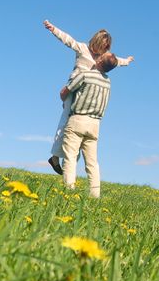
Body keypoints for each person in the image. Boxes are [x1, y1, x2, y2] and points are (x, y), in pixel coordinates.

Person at [43, 20, 134, 174]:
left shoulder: (104, 56)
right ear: (95, 42)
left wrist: (127, 61)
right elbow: (67, 39)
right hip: (73, 89)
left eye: (104, 49)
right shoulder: (82, 48)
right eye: (100, 47)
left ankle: (65, 163)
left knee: (77, 133)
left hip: (85, 94)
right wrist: (53, 29)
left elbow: (116, 61)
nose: (101, 51)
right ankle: (55, 158)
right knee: (65, 123)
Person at [61, 52, 118, 198]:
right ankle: (95, 195)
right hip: (95, 124)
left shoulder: (86, 75)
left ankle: (68, 191)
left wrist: (64, 97)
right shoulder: (108, 82)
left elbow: (65, 91)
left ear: (99, 61)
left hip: (78, 119)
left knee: (70, 157)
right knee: (92, 163)